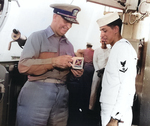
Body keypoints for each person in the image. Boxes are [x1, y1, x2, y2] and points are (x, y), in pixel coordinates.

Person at [15, 3, 83, 126]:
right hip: (37, 92)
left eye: (71, 23)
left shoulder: (69, 45)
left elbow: (68, 75)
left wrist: (75, 74)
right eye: (66, 21)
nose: (69, 26)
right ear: (55, 17)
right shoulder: (37, 37)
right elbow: (23, 66)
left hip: (62, 96)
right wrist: (53, 62)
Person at [97, 12, 137, 126]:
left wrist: (115, 117)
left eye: (104, 31)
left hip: (115, 112)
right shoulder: (116, 48)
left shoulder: (123, 48)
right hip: (111, 109)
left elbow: (127, 84)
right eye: (100, 31)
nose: (101, 35)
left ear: (116, 29)